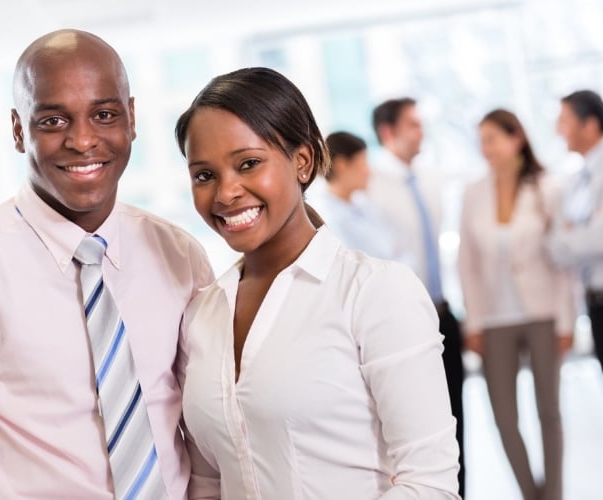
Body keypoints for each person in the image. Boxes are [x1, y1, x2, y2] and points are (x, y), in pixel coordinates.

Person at [0, 29, 213, 499]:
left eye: (103, 114)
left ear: (131, 118)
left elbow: (204, 434)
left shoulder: (180, 255)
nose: (82, 140)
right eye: (54, 121)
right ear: (19, 130)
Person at [174, 67, 460, 499]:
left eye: (248, 164)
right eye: (204, 175)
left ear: (302, 161)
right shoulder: (200, 316)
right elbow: (208, 483)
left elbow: (430, 483)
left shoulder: (375, 293)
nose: (225, 192)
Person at [458, 109, 576, 500]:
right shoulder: (473, 193)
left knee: (549, 412)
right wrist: (472, 322)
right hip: (494, 318)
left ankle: (554, 493)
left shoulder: (548, 188)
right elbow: (468, 264)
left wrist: (565, 321)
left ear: (516, 139)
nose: (484, 148)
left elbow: (563, 263)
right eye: (481, 139)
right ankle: (532, 494)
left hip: (542, 312)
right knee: (505, 418)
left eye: (491, 138)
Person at [368, 97, 466, 497]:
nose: (421, 132)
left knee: (455, 428)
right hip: (401, 326)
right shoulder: (371, 186)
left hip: (443, 314)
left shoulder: (430, 179)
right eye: (412, 125)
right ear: (387, 132)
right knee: (413, 435)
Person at [549, 89, 603, 412]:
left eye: (564, 120)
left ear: (590, 125)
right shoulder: (576, 180)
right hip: (598, 304)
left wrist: (573, 237)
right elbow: (557, 245)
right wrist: (577, 236)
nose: (557, 129)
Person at [308, 131, 397, 260]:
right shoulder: (328, 217)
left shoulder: (362, 204)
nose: (369, 172)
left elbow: (390, 248)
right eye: (363, 164)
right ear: (341, 166)